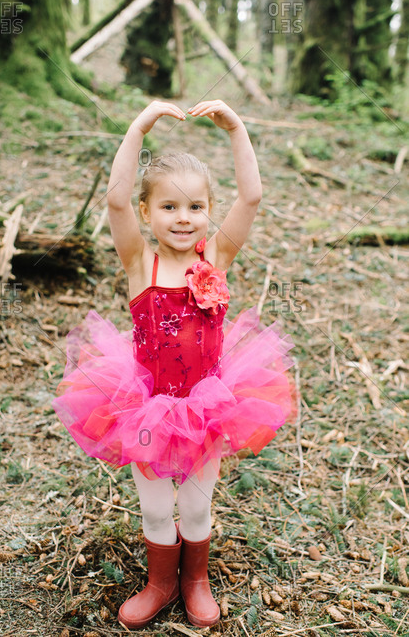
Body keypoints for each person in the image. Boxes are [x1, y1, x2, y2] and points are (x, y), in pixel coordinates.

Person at [51, 99, 297, 629]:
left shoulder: (218, 257)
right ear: (147, 213)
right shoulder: (141, 261)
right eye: (168, 207)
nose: (182, 218)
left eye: (194, 207)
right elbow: (115, 202)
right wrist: (139, 127)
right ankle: (160, 582)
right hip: (146, 407)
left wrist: (235, 128)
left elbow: (252, 196)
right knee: (158, 508)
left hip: (209, 404)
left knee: (196, 505)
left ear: (209, 211)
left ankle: (194, 579)